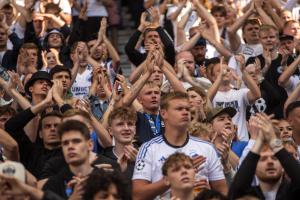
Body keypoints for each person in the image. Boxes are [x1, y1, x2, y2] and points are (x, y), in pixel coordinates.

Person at [132, 92, 227, 199]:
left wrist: (209, 192)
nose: (185, 112)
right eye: (179, 109)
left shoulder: (207, 148)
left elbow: (222, 192)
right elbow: (138, 195)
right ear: (163, 114)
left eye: (187, 109)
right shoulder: (149, 148)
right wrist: (172, 178)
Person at [228, 113, 300, 199]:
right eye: (263, 159)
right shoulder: (248, 195)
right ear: (254, 167)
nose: (269, 162)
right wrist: (258, 140)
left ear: (283, 165)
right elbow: (236, 190)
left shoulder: (293, 193)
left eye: (274, 158)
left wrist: (274, 141)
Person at [42, 120, 94, 199]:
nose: (70, 147)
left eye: (76, 141)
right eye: (65, 143)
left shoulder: (106, 180)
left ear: (90, 145)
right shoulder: (52, 185)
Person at [104, 107, 138, 178]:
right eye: (120, 124)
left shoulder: (147, 153)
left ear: (134, 129)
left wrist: (139, 163)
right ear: (110, 131)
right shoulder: (103, 159)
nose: (126, 128)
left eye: (130, 124)